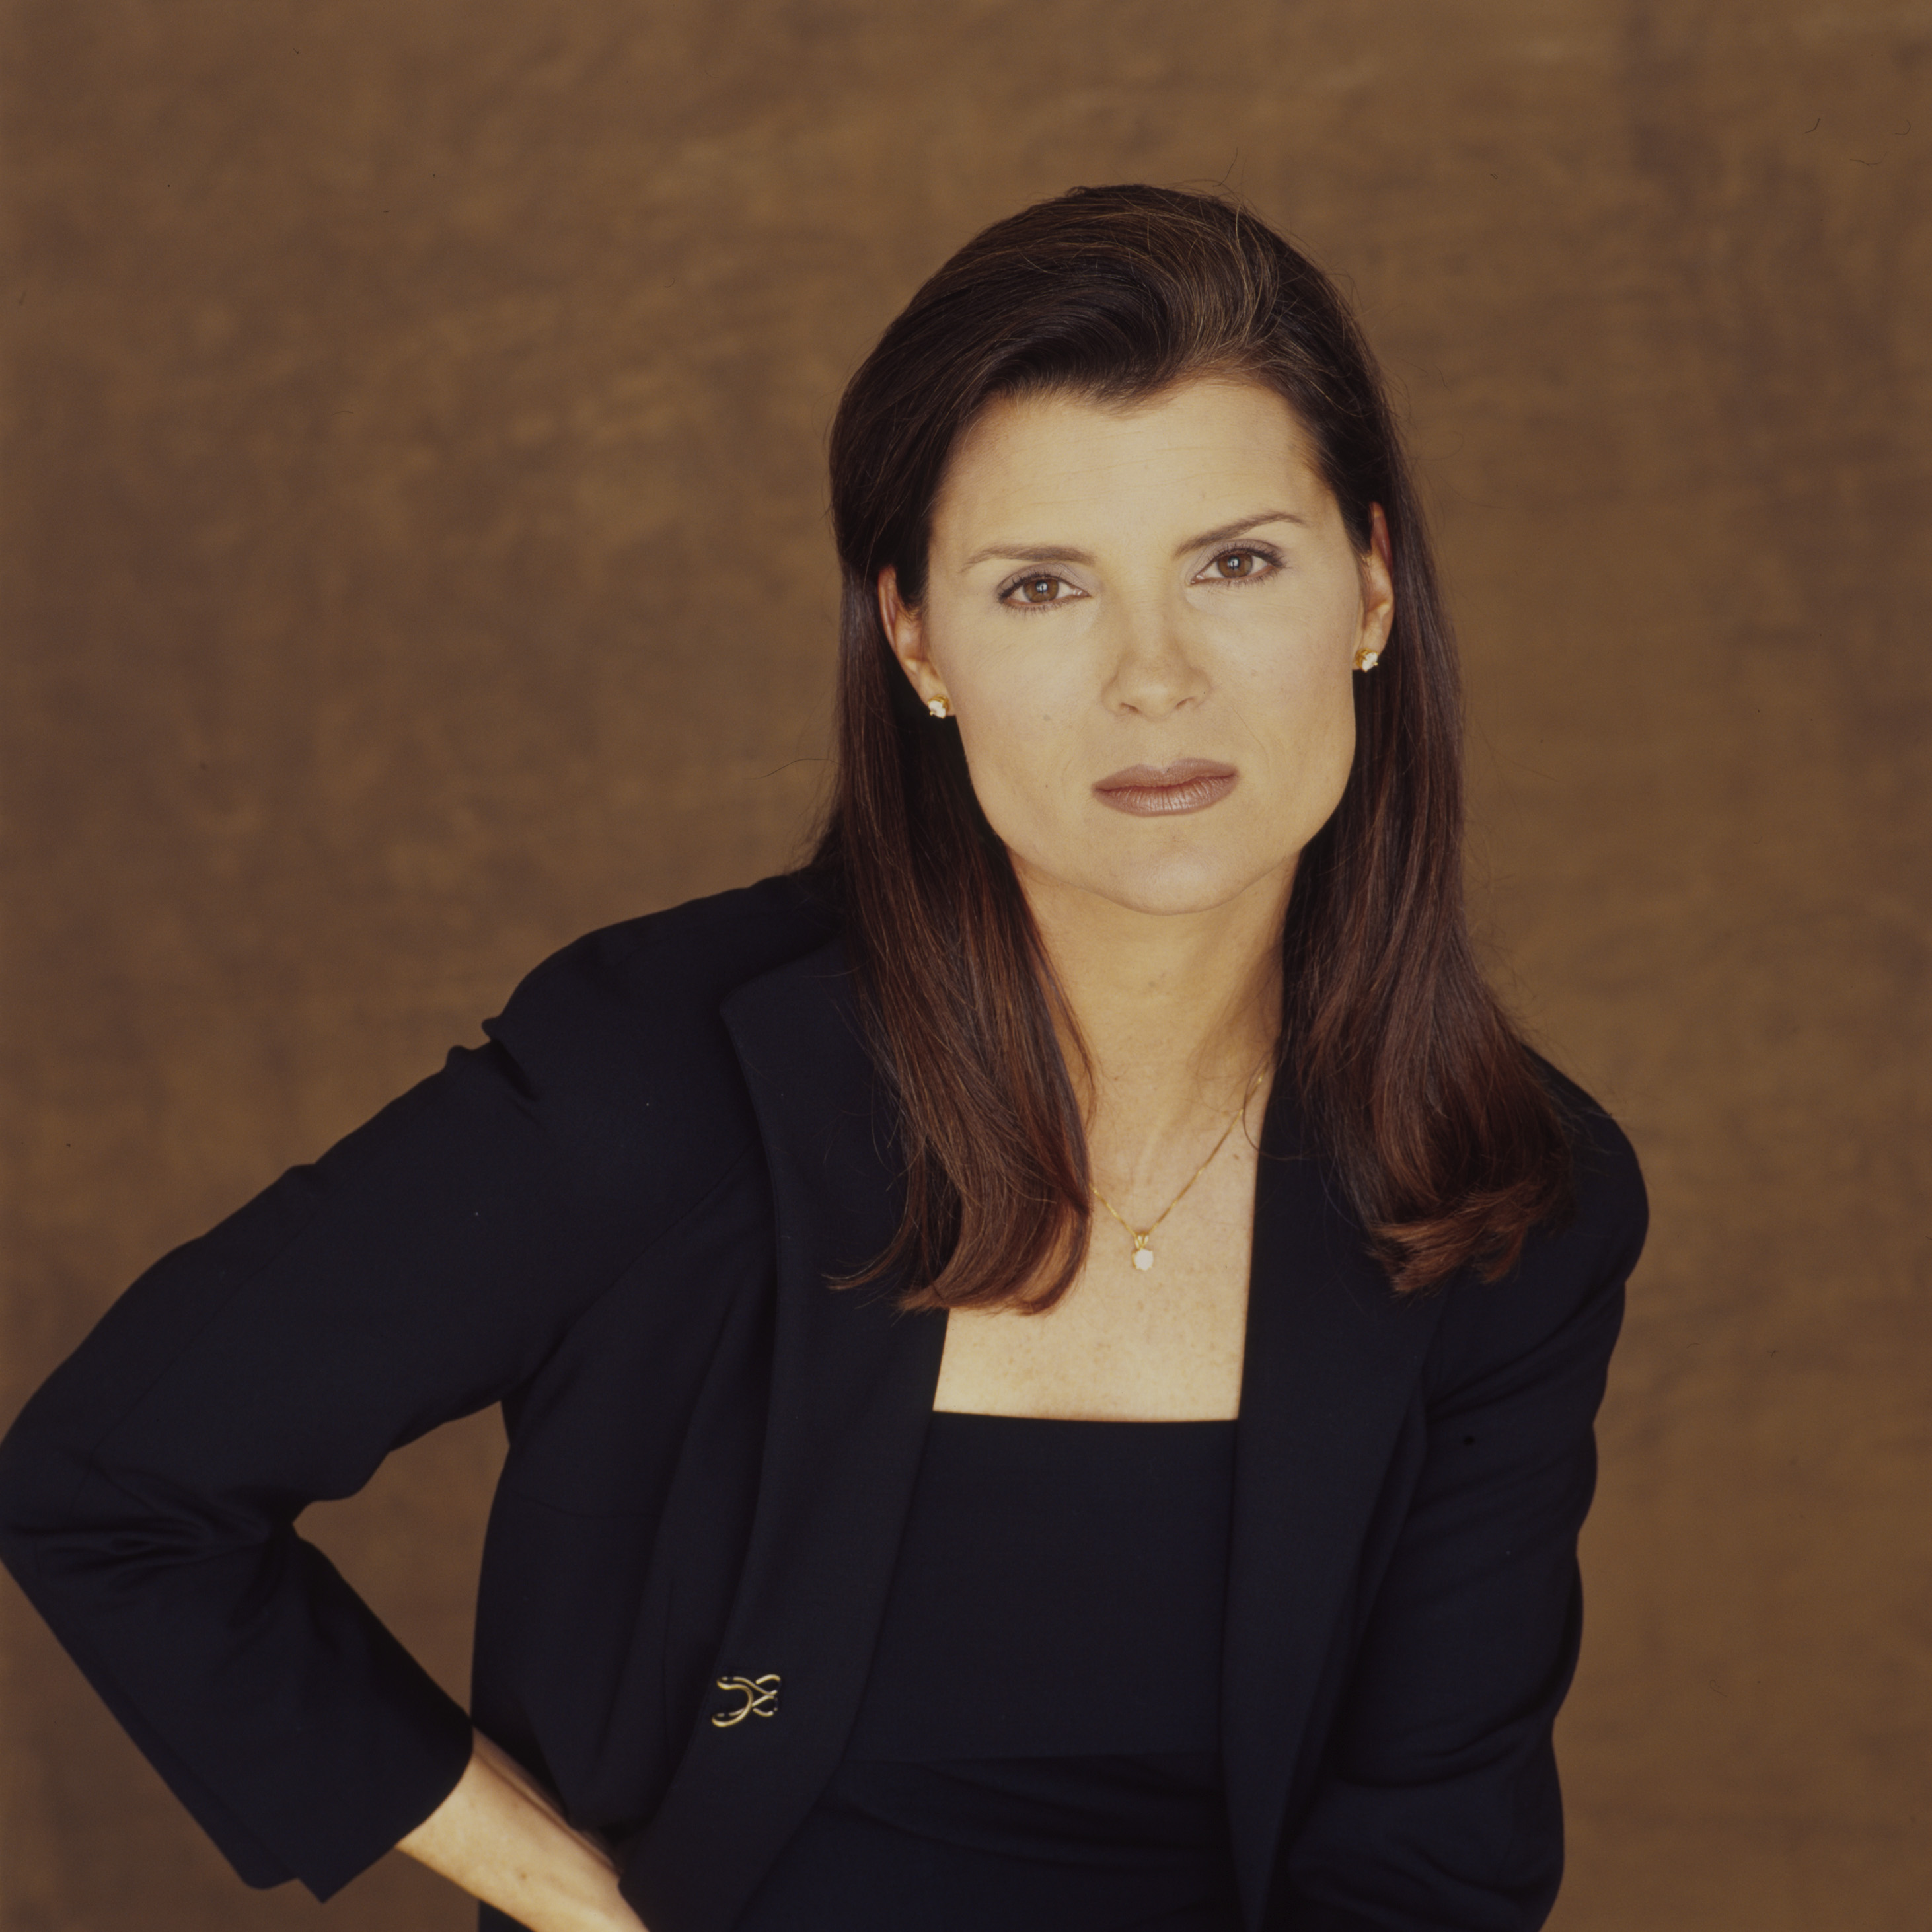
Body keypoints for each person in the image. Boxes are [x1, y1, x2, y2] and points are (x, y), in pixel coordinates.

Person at [0, 184, 1645, 1932]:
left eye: (1235, 562)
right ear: (918, 640)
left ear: (1370, 589)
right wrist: (565, 1894)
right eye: (1040, 586)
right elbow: (114, 1481)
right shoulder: (662, 1078)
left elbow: (1426, 1867)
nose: (1154, 679)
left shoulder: (1506, 1187)